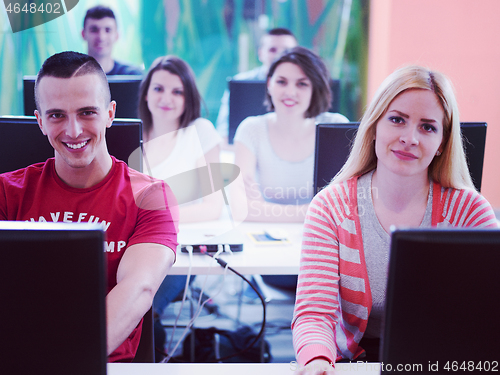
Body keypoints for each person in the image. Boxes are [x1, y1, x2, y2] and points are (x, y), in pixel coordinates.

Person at [291, 65, 499, 374]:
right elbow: (314, 314)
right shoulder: (331, 207)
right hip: (355, 362)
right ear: (375, 126)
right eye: (397, 119)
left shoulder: (470, 212)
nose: (409, 138)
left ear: (442, 142)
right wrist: (318, 362)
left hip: (445, 362)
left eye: (427, 127)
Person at [0, 51, 178, 362]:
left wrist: (62, 360)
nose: (73, 130)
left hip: (102, 364)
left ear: (110, 113)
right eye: (57, 115)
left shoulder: (150, 197)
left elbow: (139, 288)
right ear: (40, 121)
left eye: (86, 112)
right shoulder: (6, 192)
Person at [137, 55, 223, 353]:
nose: (166, 98)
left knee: (140, 313)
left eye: (177, 91)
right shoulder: (126, 133)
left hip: (176, 250)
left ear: (188, 98)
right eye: (159, 88)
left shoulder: (201, 132)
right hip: (129, 243)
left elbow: (213, 208)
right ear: (146, 92)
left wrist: (155, 218)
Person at [232, 46, 349, 224]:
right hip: (263, 237)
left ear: (314, 89)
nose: (290, 92)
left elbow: (345, 205)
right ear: (269, 84)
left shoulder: (336, 126)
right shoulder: (251, 129)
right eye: (282, 82)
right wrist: (314, 212)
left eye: (302, 84)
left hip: (323, 236)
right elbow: (240, 208)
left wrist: (261, 208)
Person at [215, 27, 298, 140]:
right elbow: (223, 132)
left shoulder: (309, 85)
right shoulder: (240, 83)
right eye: (272, 50)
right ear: (260, 53)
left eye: (286, 50)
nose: (280, 55)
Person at [82, 5, 142, 75]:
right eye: (94, 30)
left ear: (117, 35)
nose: (101, 37)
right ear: (83, 34)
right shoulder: (70, 75)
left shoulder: (133, 75)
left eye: (108, 30)